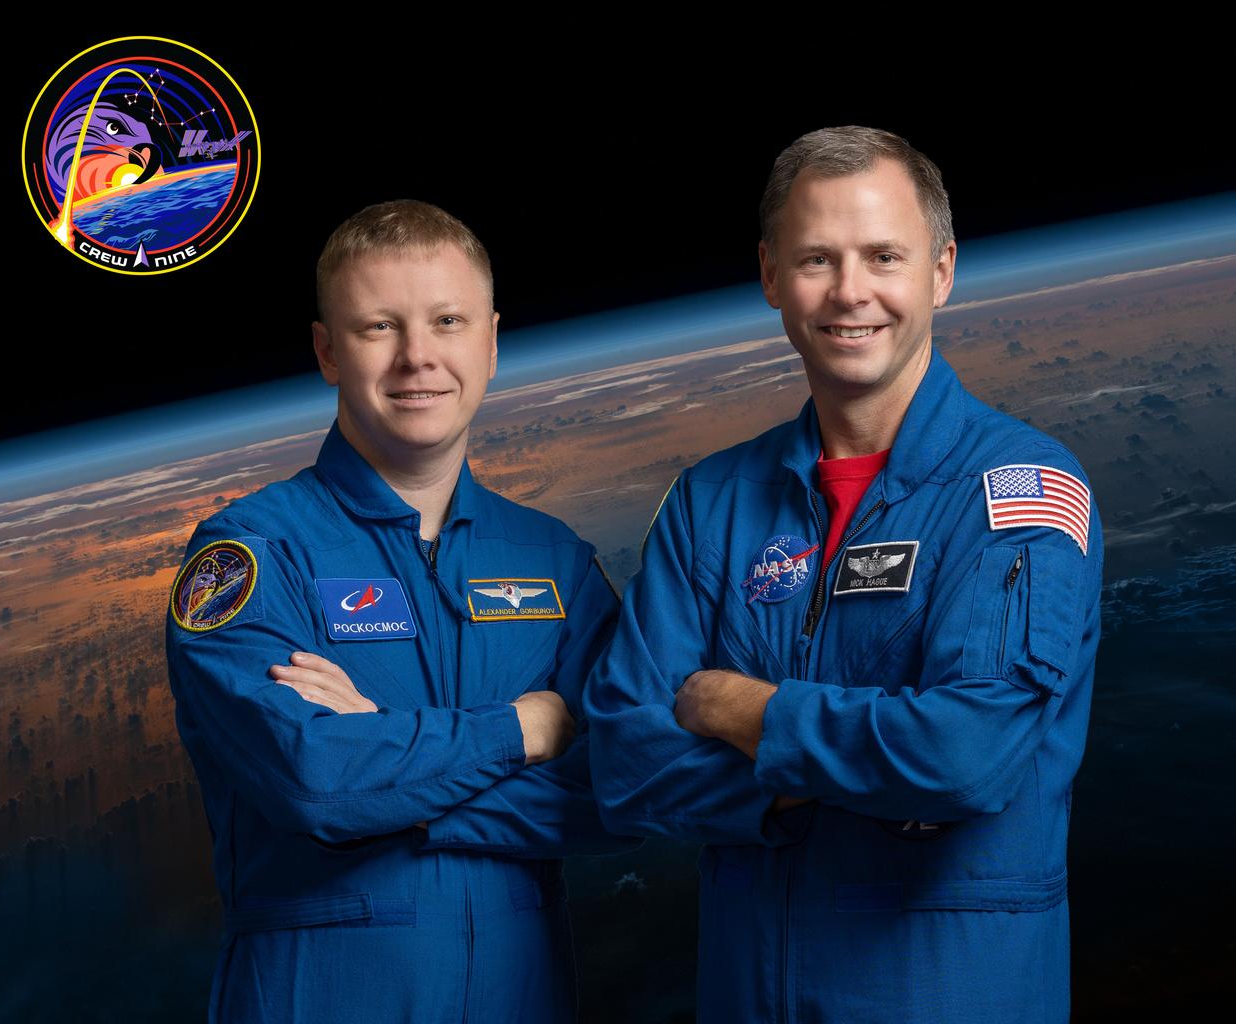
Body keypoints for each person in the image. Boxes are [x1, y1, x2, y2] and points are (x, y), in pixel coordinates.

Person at [584, 126, 1103, 1023]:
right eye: (817, 258)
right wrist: (835, 778)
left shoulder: (1019, 492)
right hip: (749, 996)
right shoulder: (712, 502)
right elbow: (624, 761)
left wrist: (744, 711)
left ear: (940, 271)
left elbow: (964, 756)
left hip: (948, 992)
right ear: (771, 277)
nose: (851, 291)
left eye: (884, 256)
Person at [165, 199, 636, 1023]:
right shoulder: (250, 555)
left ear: (489, 342)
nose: (418, 358)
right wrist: (518, 731)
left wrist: (383, 756)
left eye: (447, 321)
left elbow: (633, 786)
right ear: (327, 352)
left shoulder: (553, 560)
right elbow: (312, 783)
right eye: (380, 327)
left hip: (519, 999)